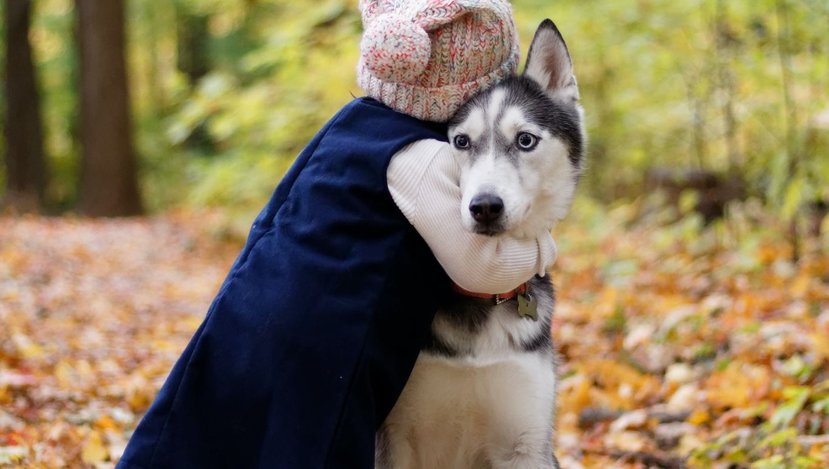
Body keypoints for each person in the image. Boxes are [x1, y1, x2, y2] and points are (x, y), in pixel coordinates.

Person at [117, 1, 557, 467]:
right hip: (329, 339)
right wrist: (542, 246)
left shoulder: (347, 125)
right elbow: (480, 267)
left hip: (250, 310)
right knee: (313, 446)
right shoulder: (423, 157)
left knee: (219, 436)